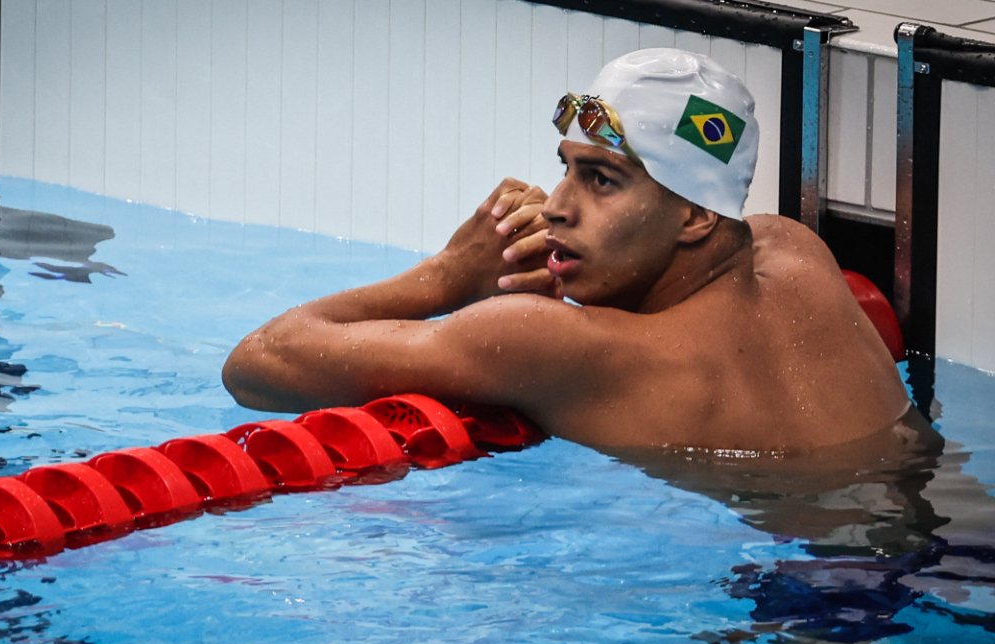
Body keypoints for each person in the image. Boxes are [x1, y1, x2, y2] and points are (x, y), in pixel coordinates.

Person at [222, 48, 914, 452]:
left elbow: (258, 362)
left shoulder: (552, 346)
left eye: (601, 180)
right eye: (567, 168)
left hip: (796, 609)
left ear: (696, 216)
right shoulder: (793, 250)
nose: (556, 205)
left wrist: (447, 277)